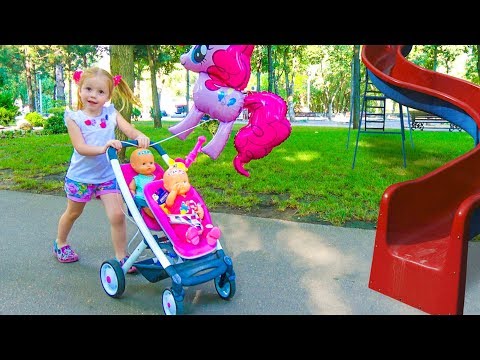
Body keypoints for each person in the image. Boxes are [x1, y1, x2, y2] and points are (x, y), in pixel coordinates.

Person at [54, 66, 150, 274]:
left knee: (117, 215)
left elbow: (129, 130)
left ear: (108, 95)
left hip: (107, 176)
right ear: (80, 89)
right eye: (88, 89)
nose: (93, 95)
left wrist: (139, 136)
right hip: (80, 178)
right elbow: (80, 147)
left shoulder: (111, 113)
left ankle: (121, 257)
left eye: (100, 92)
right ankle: (60, 243)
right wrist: (104, 147)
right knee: (73, 212)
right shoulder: (74, 118)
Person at [162, 161, 221, 246]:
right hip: (181, 221)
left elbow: (198, 204)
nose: (181, 185)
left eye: (184, 182)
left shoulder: (190, 195)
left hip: (195, 218)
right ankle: (191, 236)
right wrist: (174, 191)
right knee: (180, 230)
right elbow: (169, 203)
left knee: (206, 224)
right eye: (176, 183)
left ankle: (210, 235)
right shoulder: (173, 197)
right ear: (167, 187)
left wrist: (200, 210)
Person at [128, 148, 158, 218]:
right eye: (144, 164)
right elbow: (132, 187)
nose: (148, 165)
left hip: (154, 197)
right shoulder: (137, 178)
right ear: (134, 166)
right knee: (143, 204)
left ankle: (160, 213)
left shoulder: (155, 177)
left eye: (151, 163)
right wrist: (133, 193)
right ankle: (154, 216)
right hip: (142, 197)